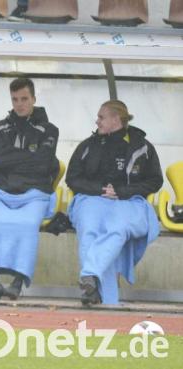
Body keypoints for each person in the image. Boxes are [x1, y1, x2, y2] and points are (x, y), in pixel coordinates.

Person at [0, 78, 59, 300]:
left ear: (34, 99)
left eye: (24, 99)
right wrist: (29, 157)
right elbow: (0, 159)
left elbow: (43, 163)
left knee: (27, 225)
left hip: (35, 192)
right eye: (15, 99)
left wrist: (13, 159)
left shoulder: (50, 130)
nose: (20, 104)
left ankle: (18, 283)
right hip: (1, 189)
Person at [66, 100, 162, 306]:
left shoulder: (143, 146)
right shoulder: (88, 145)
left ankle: (90, 275)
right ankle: (98, 293)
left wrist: (122, 191)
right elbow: (72, 178)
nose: (97, 121)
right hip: (92, 198)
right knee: (89, 228)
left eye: (101, 117)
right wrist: (99, 190)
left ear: (116, 119)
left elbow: (155, 181)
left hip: (129, 202)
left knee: (117, 229)